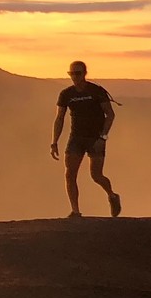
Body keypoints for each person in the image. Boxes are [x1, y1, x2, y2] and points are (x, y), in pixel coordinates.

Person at [50, 60, 122, 218]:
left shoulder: (96, 91)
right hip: (76, 137)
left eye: (78, 73)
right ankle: (75, 211)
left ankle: (112, 195)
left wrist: (102, 138)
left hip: (95, 138)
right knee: (70, 174)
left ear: (84, 73)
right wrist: (54, 142)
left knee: (96, 175)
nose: (75, 76)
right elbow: (59, 118)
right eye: (72, 73)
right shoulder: (66, 94)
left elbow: (110, 114)